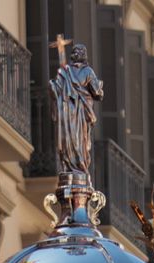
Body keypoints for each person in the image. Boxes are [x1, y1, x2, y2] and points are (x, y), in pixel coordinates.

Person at [50, 42, 104, 178]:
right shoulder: (87, 71)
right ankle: (79, 165)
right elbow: (97, 93)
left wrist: (53, 86)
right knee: (80, 140)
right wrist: (100, 87)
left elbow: (56, 89)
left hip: (67, 111)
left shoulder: (64, 71)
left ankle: (71, 164)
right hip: (79, 112)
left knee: (69, 139)